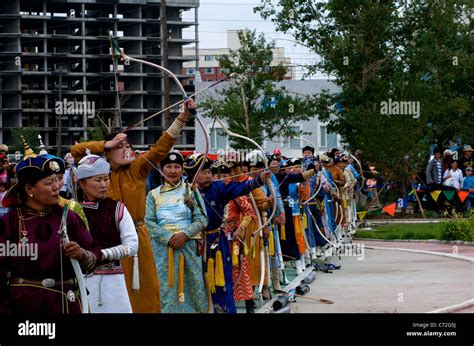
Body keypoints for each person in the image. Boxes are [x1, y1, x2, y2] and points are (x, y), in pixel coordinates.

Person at [71, 99, 196, 313]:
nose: (125, 150)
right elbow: (76, 151)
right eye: (118, 147)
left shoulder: (137, 169)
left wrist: (182, 117)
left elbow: (161, 147)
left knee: (146, 291)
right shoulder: (100, 173)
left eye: (127, 145)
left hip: (137, 238)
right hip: (104, 239)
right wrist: (105, 144)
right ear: (107, 153)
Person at [0, 142, 100, 314]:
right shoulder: (9, 222)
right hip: (23, 307)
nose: (57, 187)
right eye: (49, 183)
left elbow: (94, 253)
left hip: (66, 304)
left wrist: (82, 254)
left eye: (57, 180)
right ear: (29, 189)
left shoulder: (68, 216)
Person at [184, 153, 271, 313]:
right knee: (195, 282)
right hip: (192, 243)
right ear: (192, 175)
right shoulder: (184, 192)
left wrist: (259, 180)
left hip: (216, 240)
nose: (208, 175)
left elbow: (239, 188)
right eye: (203, 172)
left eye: (209, 171)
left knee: (223, 280)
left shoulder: (218, 187)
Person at [144, 151, 208, 313]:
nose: (173, 171)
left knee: (193, 287)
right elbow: (148, 222)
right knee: (166, 289)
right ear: (161, 169)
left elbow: (202, 218)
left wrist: (184, 234)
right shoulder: (153, 194)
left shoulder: (191, 190)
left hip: (188, 246)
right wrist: (169, 237)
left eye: (177, 167)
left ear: (182, 170)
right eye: (169, 166)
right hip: (162, 249)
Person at [77, 154, 138, 313]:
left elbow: (132, 245)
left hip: (114, 282)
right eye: (98, 180)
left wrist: (102, 254)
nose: (104, 184)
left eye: (106, 179)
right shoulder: (72, 211)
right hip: (81, 280)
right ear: (83, 184)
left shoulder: (118, 209)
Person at [212, 158, 257, 313]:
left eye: (225, 174)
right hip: (212, 238)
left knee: (239, 270)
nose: (221, 178)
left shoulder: (232, 191)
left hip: (232, 237)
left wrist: (241, 227)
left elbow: (249, 211)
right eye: (217, 175)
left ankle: (249, 303)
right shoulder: (207, 190)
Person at [426, 147, 444, 213]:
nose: (438, 155)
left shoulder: (441, 162)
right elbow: (428, 172)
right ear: (434, 154)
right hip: (434, 182)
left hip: (440, 182)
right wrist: (430, 181)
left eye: (439, 154)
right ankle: (433, 210)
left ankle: (439, 209)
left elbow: (442, 171)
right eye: (437, 154)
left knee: (440, 197)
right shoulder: (431, 162)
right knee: (433, 197)